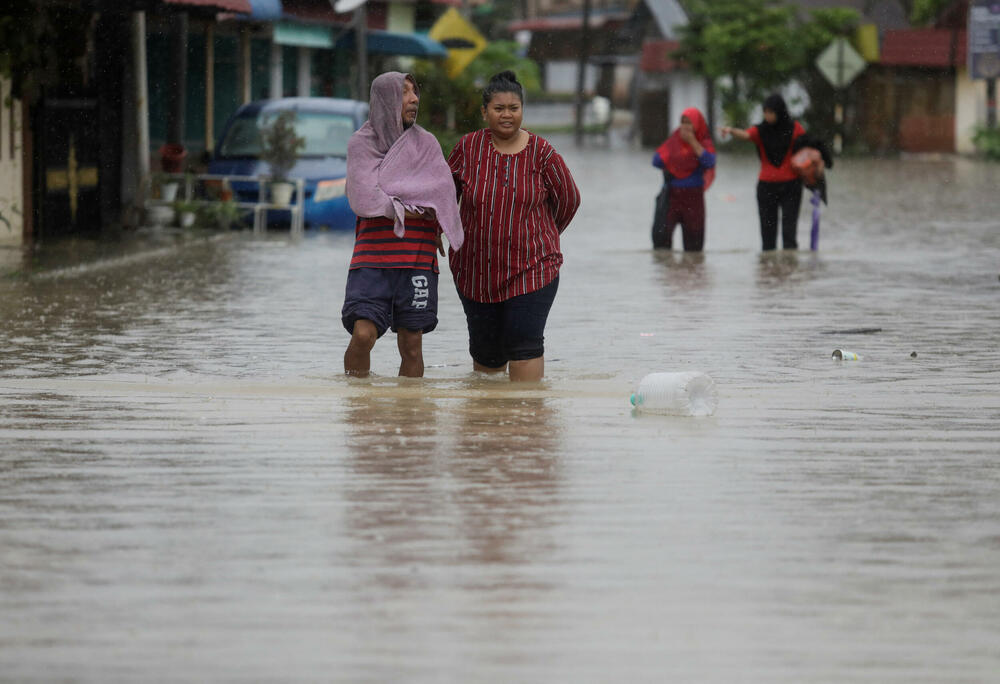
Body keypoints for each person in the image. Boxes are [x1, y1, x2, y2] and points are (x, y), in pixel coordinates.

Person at [447, 71, 581, 382]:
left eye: (514, 108)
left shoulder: (543, 153)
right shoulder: (467, 149)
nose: (507, 115)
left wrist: (541, 235)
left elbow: (569, 200)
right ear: (484, 112)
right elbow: (444, 198)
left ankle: (527, 424)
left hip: (532, 269)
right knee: (487, 356)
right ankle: (491, 426)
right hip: (475, 271)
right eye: (499, 109)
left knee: (524, 343)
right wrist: (440, 232)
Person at [342, 71, 464, 378]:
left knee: (412, 345)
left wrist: (415, 210)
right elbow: (365, 198)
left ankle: (410, 418)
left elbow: (441, 195)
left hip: (417, 257)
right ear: (385, 101)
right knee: (363, 335)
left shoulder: (427, 144)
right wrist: (416, 209)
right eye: (404, 93)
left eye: (415, 93)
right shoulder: (361, 144)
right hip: (372, 258)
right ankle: (358, 408)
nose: (413, 100)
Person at [721, 94, 806, 250]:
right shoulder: (761, 130)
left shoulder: (795, 129)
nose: (767, 116)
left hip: (791, 187)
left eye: (770, 112)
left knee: (789, 235)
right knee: (768, 238)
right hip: (767, 188)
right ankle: (768, 271)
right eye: (765, 112)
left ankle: (790, 269)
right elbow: (746, 134)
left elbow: (807, 148)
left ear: (779, 112)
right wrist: (731, 130)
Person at [651, 107, 716, 251]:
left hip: (694, 200)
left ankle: (691, 273)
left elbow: (710, 162)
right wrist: (675, 155)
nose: (685, 127)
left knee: (694, 248)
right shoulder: (674, 141)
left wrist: (693, 142)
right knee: (662, 246)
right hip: (671, 197)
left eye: (689, 123)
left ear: (697, 125)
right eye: (683, 122)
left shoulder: (703, 143)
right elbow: (656, 160)